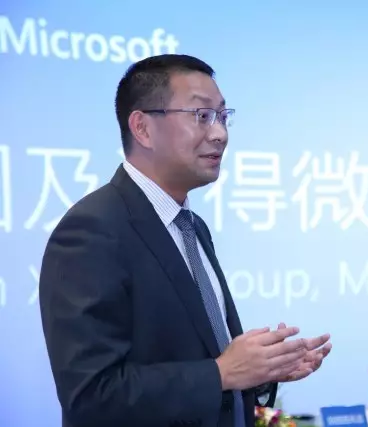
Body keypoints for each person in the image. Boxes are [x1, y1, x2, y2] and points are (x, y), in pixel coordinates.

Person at [38, 54, 332, 427]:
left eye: (222, 116)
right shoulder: (92, 231)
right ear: (142, 128)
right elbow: (92, 395)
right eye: (201, 115)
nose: (220, 133)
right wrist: (222, 373)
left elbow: (205, 364)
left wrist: (260, 372)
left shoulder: (193, 227)